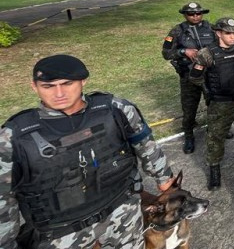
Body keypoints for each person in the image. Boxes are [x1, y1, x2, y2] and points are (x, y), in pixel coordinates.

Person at [0, 55, 175, 248]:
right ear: (34, 86)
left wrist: (163, 177)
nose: (59, 93)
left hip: (122, 211)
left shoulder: (116, 110)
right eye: (48, 86)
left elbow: (145, 144)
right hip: (62, 232)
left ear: (83, 81)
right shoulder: (14, 137)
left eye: (67, 83)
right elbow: (3, 198)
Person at [190, 17, 234, 191]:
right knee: (215, 138)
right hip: (220, 103)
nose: (232, 37)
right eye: (228, 33)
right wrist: (209, 92)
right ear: (218, 33)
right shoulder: (207, 53)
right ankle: (214, 170)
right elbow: (195, 77)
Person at [162, 1, 215, 154]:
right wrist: (183, 51)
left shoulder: (211, 28)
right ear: (185, 15)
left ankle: (215, 130)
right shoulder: (177, 31)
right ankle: (189, 136)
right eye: (191, 14)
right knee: (189, 108)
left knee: (213, 103)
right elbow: (166, 54)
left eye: (198, 13)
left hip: (209, 75)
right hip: (189, 76)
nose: (195, 16)